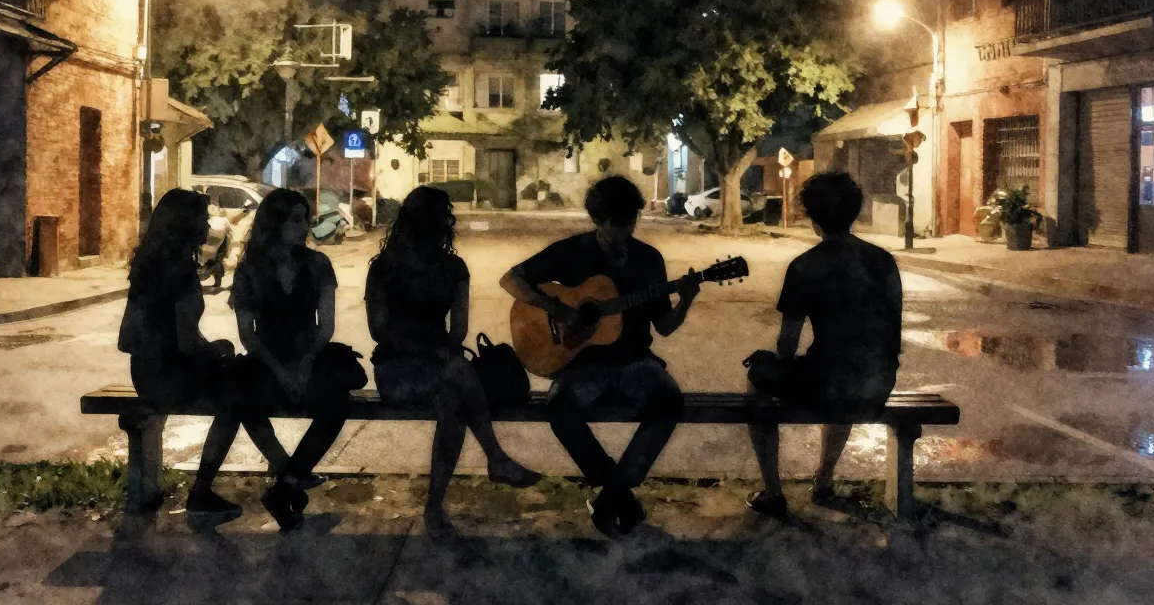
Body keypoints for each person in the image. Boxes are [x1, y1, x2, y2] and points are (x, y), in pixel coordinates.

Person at [500, 175, 698, 538]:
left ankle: (612, 493)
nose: (626, 230)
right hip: (582, 362)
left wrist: (686, 298)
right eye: (618, 223)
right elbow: (511, 280)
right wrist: (556, 309)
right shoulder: (572, 251)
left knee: (669, 402)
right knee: (559, 407)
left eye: (631, 221)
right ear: (599, 219)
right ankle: (618, 490)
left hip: (634, 361)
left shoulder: (648, 260)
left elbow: (665, 326)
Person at [367, 186, 541, 538]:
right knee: (458, 372)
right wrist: (433, 351)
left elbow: (381, 328)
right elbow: (394, 332)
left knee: (451, 403)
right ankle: (495, 458)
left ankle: (435, 507)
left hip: (429, 368)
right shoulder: (429, 267)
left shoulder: (388, 266)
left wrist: (437, 354)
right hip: (399, 370)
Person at [117, 190, 286, 517]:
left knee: (239, 386)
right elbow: (186, 343)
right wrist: (215, 349)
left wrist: (204, 351)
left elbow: (135, 336)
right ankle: (211, 489)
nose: (208, 224)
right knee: (239, 392)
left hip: (147, 371)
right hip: (168, 376)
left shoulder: (149, 266)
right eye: (202, 217)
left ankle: (284, 470)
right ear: (185, 223)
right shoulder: (178, 272)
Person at [745, 172, 903, 519]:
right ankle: (824, 482)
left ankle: (773, 492)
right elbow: (890, 332)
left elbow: (787, 346)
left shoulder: (805, 266)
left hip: (832, 384)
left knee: (758, 384)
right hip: (877, 383)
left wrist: (772, 362)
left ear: (813, 219)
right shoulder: (883, 262)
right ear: (854, 213)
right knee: (843, 372)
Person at [231, 188, 356, 532]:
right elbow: (248, 335)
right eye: (296, 220)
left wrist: (304, 363)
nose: (305, 227)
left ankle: (287, 484)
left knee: (337, 402)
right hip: (268, 359)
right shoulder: (250, 270)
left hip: (309, 357)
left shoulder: (318, 265)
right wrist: (280, 370)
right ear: (275, 223)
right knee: (239, 395)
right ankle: (289, 474)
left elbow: (325, 326)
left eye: (306, 219)